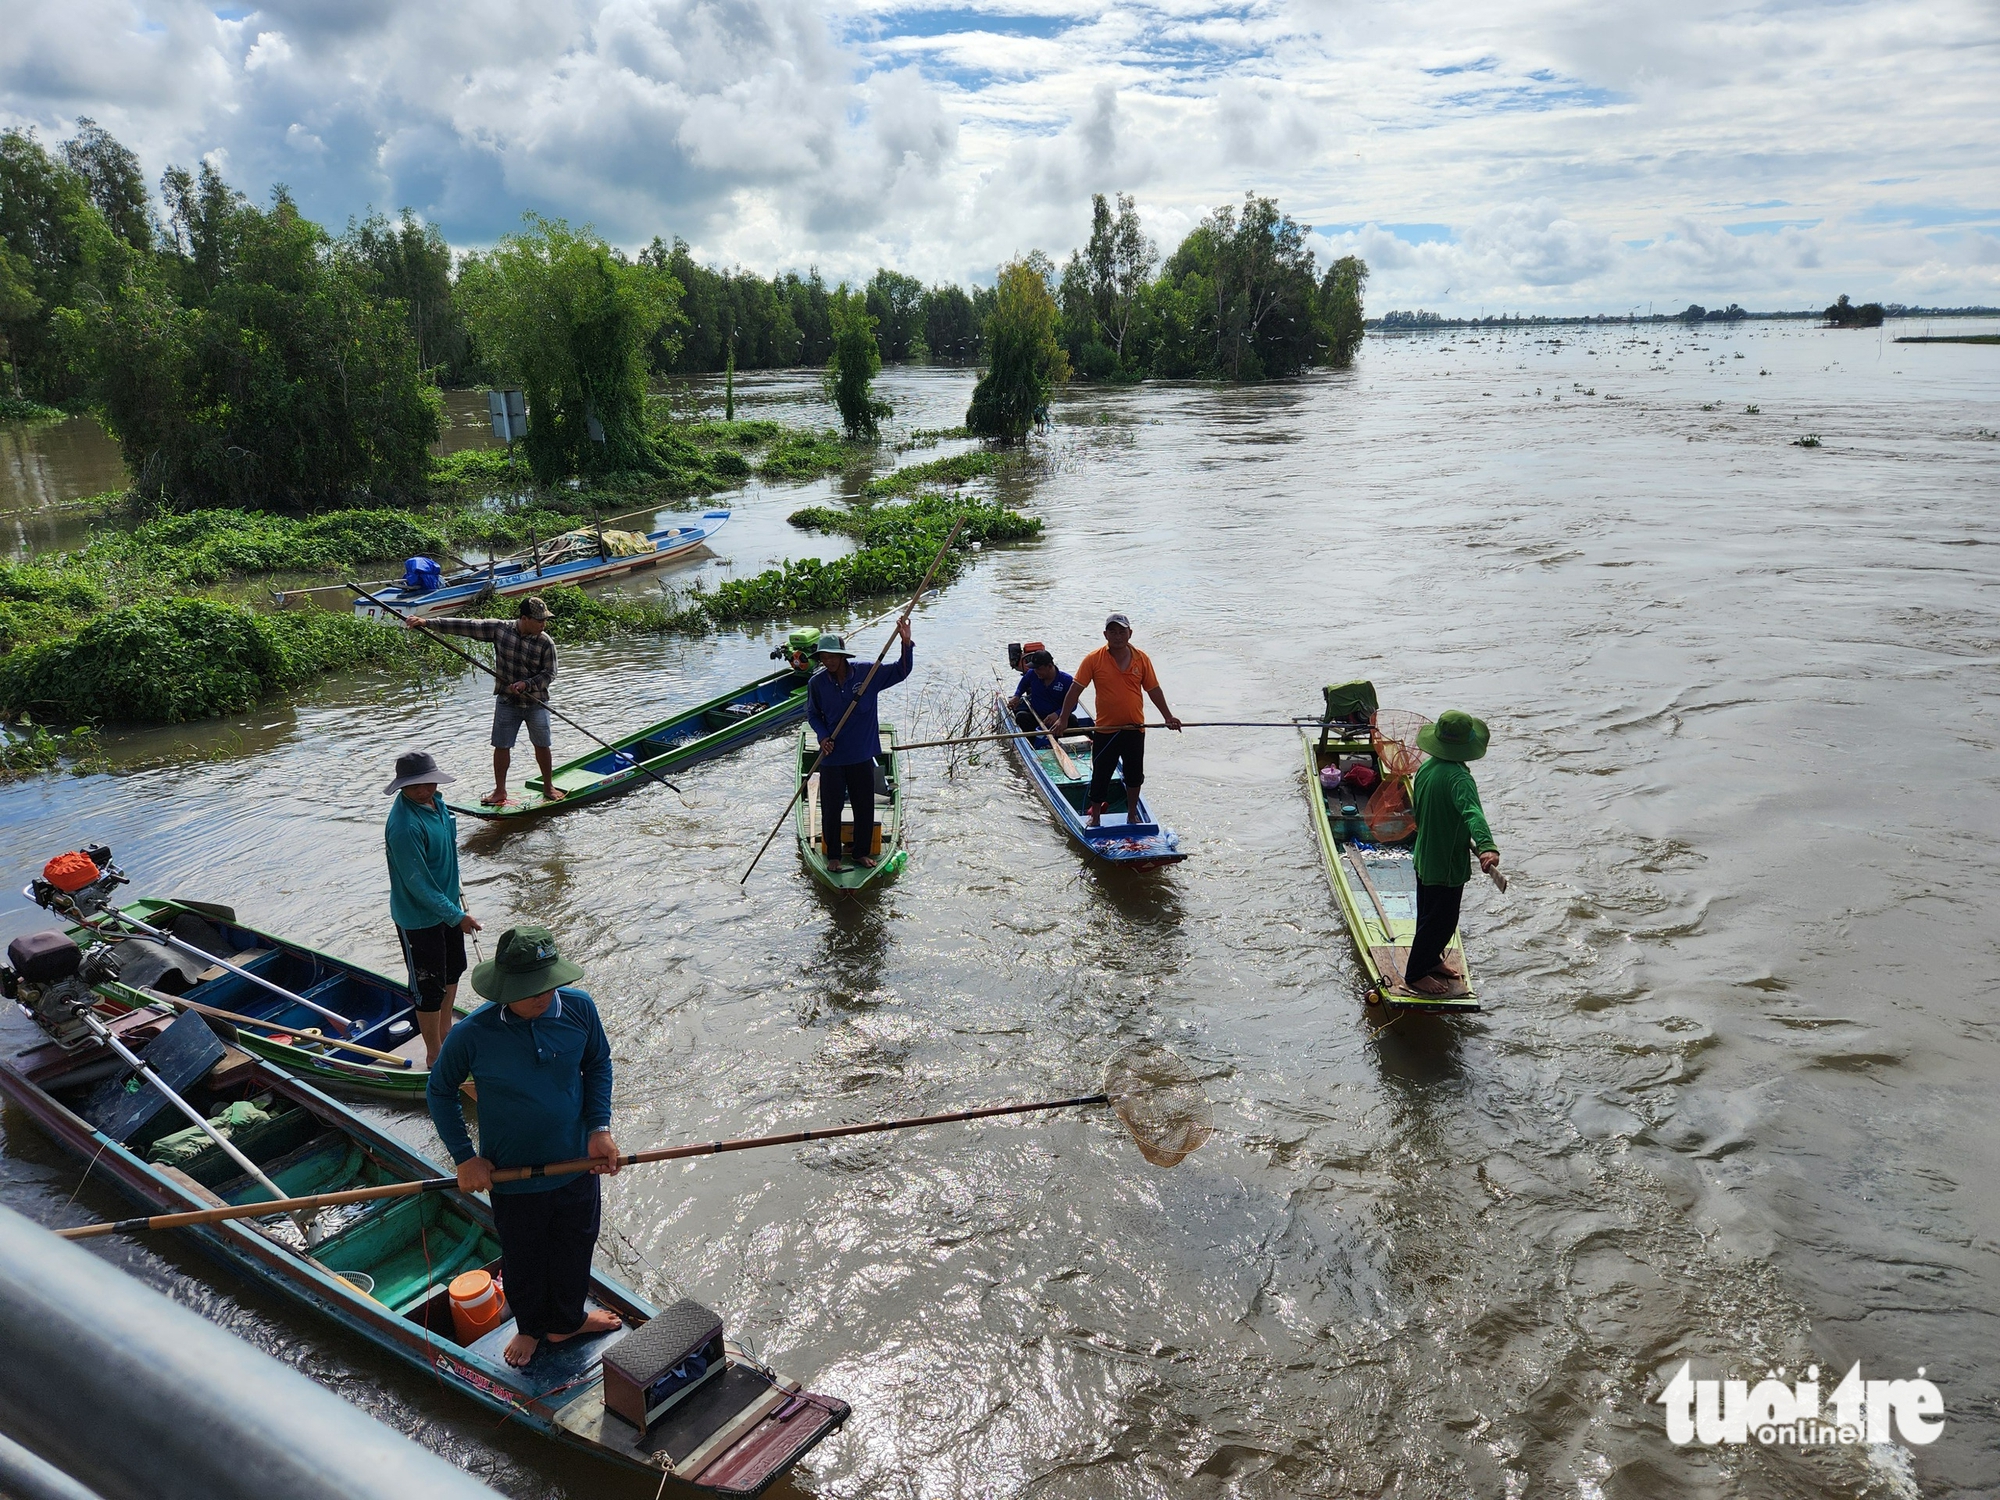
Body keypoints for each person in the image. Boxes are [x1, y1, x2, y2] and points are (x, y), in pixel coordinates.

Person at [427, 926, 622, 1369]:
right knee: (525, 1255)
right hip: (512, 1175)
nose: (542, 995)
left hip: (577, 1162)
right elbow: (439, 1091)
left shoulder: (580, 1009)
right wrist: (464, 1157)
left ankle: (567, 1320)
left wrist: (600, 1126)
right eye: (529, 989)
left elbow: (598, 1064)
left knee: (577, 1243)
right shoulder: (473, 1034)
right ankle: (531, 1327)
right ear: (504, 990)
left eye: (549, 984)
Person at [416, 596, 565, 808]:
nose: (544, 624)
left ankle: (548, 786)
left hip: (536, 703)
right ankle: (500, 790)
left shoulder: (545, 642)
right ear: (524, 618)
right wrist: (428, 623)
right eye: (539, 620)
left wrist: (527, 684)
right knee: (501, 745)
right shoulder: (500, 630)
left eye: (545, 620)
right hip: (507, 701)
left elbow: (550, 673)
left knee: (542, 744)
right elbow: (466, 626)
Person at [383, 749, 482, 1065]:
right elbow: (419, 885)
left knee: (454, 968)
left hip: (449, 905)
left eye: (429, 783)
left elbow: (445, 855)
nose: (424, 791)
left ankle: (445, 1028)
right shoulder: (404, 826)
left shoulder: (438, 805)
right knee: (428, 986)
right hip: (420, 917)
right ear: (402, 788)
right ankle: (433, 1051)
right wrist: (457, 916)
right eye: (415, 787)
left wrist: (454, 899)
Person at [1403, 710, 1501, 996]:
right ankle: (1416, 973)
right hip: (1444, 863)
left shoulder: (1426, 768)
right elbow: (1473, 814)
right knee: (1441, 920)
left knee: (1428, 913)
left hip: (1424, 854)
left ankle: (1432, 960)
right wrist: (1486, 846)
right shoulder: (1460, 779)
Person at [1051, 613, 1181, 827]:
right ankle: (1095, 818)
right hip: (1105, 729)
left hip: (1134, 728)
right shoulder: (1093, 659)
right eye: (1113, 631)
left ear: (1130, 633)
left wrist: (1168, 716)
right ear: (1105, 634)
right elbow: (1075, 689)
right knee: (1101, 773)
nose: (1118, 635)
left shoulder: (1142, 659)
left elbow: (1153, 689)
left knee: (1134, 774)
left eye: (1122, 631)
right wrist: (1063, 718)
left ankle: (1132, 814)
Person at [806, 617, 914, 873]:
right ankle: (833, 855)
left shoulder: (867, 672)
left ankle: (860, 853)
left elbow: (901, 670)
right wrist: (822, 737)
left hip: (862, 754)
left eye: (832, 656)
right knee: (831, 808)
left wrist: (906, 642)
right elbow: (813, 714)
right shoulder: (817, 684)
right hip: (832, 756)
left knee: (863, 806)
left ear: (842, 656)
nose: (828, 662)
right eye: (823, 657)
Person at [1007, 648, 1092, 741]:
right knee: (1021, 716)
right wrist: (1017, 695)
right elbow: (1023, 684)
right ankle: (1033, 743)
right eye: (1034, 668)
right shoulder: (1032, 674)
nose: (1036, 671)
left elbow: (1073, 705)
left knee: (1072, 720)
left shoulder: (1066, 680)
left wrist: (1057, 714)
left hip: (1058, 719)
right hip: (1037, 717)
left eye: (1039, 669)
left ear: (1050, 666)